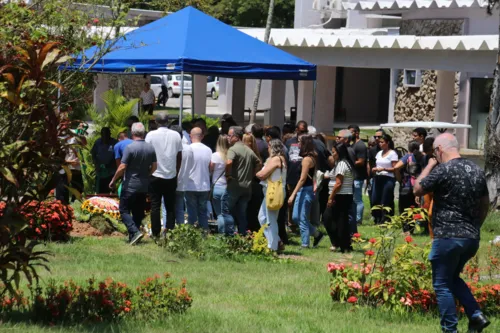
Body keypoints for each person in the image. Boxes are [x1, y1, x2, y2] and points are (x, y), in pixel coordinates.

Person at [414, 133, 490, 333]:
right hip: (471, 238)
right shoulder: (476, 170)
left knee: (441, 284)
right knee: (452, 278)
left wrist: (429, 166)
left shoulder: (443, 170)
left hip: (447, 237)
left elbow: (417, 189)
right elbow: (485, 204)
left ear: (438, 150)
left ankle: (450, 330)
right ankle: (476, 316)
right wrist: (475, 227)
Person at [109, 122, 156, 245]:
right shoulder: (150, 147)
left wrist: (113, 180)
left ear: (132, 133)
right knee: (137, 212)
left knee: (124, 210)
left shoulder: (130, 147)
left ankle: (134, 232)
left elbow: (122, 167)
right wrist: (147, 175)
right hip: (143, 185)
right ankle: (134, 237)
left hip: (130, 185)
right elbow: (155, 166)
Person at [145, 113, 183, 238]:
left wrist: (147, 171)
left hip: (155, 174)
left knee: (155, 205)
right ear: (168, 122)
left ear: (156, 122)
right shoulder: (176, 135)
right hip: (170, 175)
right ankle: (170, 232)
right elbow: (179, 156)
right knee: (170, 206)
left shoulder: (151, 135)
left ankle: (155, 233)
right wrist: (176, 171)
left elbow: (147, 154)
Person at [221, 126, 261, 235]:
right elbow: (259, 163)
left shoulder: (233, 149)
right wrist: (252, 175)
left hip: (234, 186)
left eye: (230, 135)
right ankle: (242, 234)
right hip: (247, 188)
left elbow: (229, 162)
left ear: (236, 137)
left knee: (226, 210)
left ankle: (229, 235)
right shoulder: (248, 149)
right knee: (241, 213)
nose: (228, 138)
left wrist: (228, 175)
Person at [288, 135, 324, 248]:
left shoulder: (307, 159)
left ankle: (305, 243)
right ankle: (316, 234)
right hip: (305, 190)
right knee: (295, 217)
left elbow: (302, 179)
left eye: (299, 142)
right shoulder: (310, 157)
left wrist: (292, 195)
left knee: (302, 217)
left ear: (305, 144)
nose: (298, 144)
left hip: (305, 190)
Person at [256, 139, 287, 252]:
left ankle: (272, 247)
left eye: (268, 147)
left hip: (273, 192)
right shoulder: (280, 158)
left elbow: (262, 174)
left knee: (270, 219)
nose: (267, 149)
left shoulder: (275, 159)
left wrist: (257, 172)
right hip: (272, 192)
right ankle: (277, 241)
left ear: (272, 147)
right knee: (262, 217)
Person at [323, 143, 355, 253]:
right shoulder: (342, 163)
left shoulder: (342, 164)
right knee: (339, 220)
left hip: (340, 196)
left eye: (334, 152)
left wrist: (331, 198)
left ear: (339, 152)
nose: (332, 154)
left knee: (330, 219)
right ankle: (342, 243)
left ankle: (342, 244)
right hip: (343, 195)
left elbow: (338, 183)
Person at [182, 127, 212, 231]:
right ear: (202, 136)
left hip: (190, 185)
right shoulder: (208, 150)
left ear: (190, 136)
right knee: (203, 212)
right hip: (204, 185)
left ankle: (192, 233)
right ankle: (204, 232)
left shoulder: (187, 149)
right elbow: (210, 167)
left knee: (191, 212)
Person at [371, 134, 398, 224]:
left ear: (388, 143)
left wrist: (384, 169)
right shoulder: (379, 153)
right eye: (379, 142)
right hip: (378, 177)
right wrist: (375, 169)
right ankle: (377, 218)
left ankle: (386, 219)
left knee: (385, 199)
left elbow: (395, 168)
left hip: (388, 178)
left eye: (382, 142)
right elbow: (377, 164)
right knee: (375, 199)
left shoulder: (392, 153)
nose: (380, 144)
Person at [170, 125, 192, 226]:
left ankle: (167, 228)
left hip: (171, 181)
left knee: (167, 207)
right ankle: (180, 229)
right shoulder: (189, 148)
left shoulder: (171, 148)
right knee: (180, 208)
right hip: (183, 183)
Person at [395, 141, 424, 215]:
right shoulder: (422, 156)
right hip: (419, 185)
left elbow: (396, 167)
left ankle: (407, 225)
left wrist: (399, 179)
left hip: (407, 185)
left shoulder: (408, 156)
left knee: (405, 209)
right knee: (417, 208)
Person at [348, 125, 368, 226]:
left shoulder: (360, 145)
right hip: (352, 176)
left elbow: (361, 162)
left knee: (358, 199)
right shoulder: (352, 145)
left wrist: (349, 163)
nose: (348, 134)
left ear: (357, 133)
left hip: (358, 177)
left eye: (350, 132)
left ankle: (358, 220)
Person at [242, 133, 263, 232]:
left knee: (247, 211)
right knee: (253, 211)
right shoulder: (257, 156)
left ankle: (248, 231)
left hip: (248, 186)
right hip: (255, 186)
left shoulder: (246, 156)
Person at [211, 135, 230, 230]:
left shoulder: (215, 155)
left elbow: (210, 169)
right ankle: (230, 233)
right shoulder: (231, 155)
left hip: (217, 186)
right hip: (228, 187)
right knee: (227, 213)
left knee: (219, 214)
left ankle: (221, 235)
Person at [91, 127, 118, 193]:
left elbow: (118, 156)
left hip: (111, 171)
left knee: (111, 191)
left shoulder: (114, 142)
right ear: (101, 135)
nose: (105, 136)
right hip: (100, 171)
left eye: (107, 134)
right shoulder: (98, 142)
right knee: (100, 191)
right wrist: (96, 164)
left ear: (110, 134)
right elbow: (93, 154)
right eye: (103, 134)